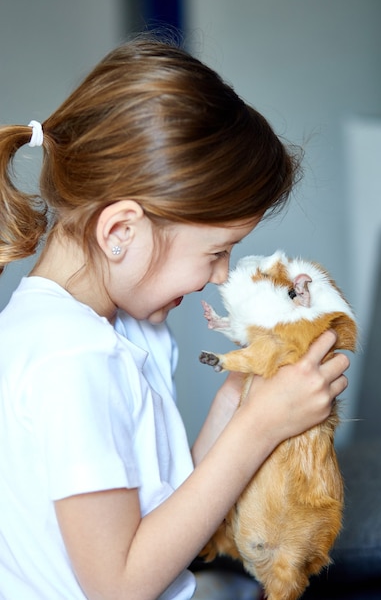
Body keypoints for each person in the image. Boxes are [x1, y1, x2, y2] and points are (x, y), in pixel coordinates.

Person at [0, 35, 349, 600]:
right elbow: (120, 585)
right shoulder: (74, 358)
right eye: (216, 251)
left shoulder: (96, 331)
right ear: (120, 233)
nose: (220, 275)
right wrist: (261, 430)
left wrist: (238, 402)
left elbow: (161, 518)